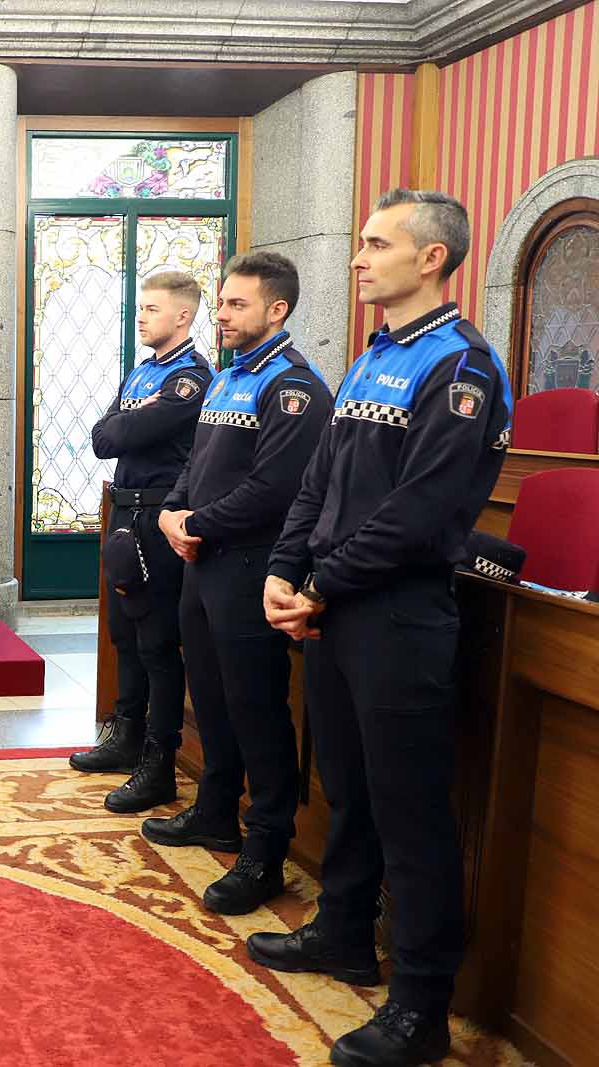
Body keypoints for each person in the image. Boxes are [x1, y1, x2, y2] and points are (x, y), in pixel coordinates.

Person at [255, 189, 511, 1067]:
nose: (358, 256)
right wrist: (284, 570)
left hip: (398, 612)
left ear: (432, 258)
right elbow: (320, 480)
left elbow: (423, 512)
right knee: (348, 785)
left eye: (377, 243)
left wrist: (319, 580)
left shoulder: (461, 366)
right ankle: (341, 929)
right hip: (332, 606)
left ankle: (419, 1004)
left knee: (410, 812)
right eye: (360, 241)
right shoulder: (372, 357)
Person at [148, 252, 332, 915]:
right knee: (212, 698)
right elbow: (195, 465)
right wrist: (173, 511)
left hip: (254, 568)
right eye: (220, 303)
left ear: (276, 310)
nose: (220, 315)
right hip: (203, 564)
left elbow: (275, 491)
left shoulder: (294, 387)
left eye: (235, 304)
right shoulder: (227, 379)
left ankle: (265, 852)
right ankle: (216, 809)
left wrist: (193, 520)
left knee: (257, 709)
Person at [74, 271, 213, 811]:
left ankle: (159, 763)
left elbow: (123, 433)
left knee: (157, 642)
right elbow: (101, 439)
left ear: (183, 316)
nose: (142, 317)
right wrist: (127, 420)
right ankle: (125, 738)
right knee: (124, 635)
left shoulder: (190, 379)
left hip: (160, 518)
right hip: (124, 513)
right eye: (141, 308)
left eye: (152, 309)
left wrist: (126, 422)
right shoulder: (143, 374)